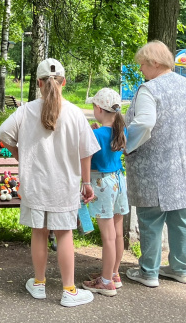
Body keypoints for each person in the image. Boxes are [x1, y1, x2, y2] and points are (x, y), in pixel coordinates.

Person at [0, 58, 100, 307]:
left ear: (39, 83)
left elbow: (3, 135)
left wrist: (22, 157)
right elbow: (86, 152)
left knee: (39, 233)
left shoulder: (26, 111)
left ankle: (39, 284)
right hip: (64, 186)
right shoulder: (75, 113)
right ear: (63, 82)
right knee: (64, 235)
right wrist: (87, 182)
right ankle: (69, 291)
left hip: (35, 184)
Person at [124, 41, 186, 288]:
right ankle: (181, 269)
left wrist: (125, 143)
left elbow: (145, 123)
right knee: (182, 218)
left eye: (143, 65)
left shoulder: (150, 89)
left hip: (154, 168)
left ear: (155, 63)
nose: (141, 70)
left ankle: (148, 272)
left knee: (151, 218)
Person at [81, 88, 128, 297]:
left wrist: (84, 182)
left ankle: (106, 281)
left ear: (98, 109)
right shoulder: (121, 130)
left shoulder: (95, 134)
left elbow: (87, 160)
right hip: (118, 180)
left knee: (107, 236)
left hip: (101, 183)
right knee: (117, 233)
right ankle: (114, 274)